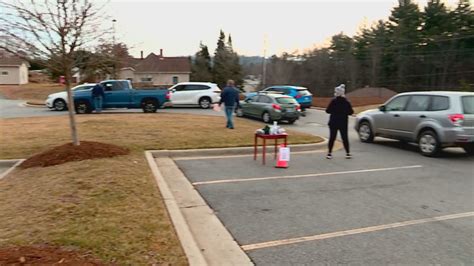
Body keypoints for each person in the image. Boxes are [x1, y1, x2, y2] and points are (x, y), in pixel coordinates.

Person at [325, 84, 354, 159]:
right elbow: (351, 112)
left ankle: (329, 153)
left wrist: (333, 111)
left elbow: (327, 110)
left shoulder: (333, 101)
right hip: (343, 122)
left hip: (333, 122)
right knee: (344, 138)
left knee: (332, 137)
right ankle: (347, 153)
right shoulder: (346, 102)